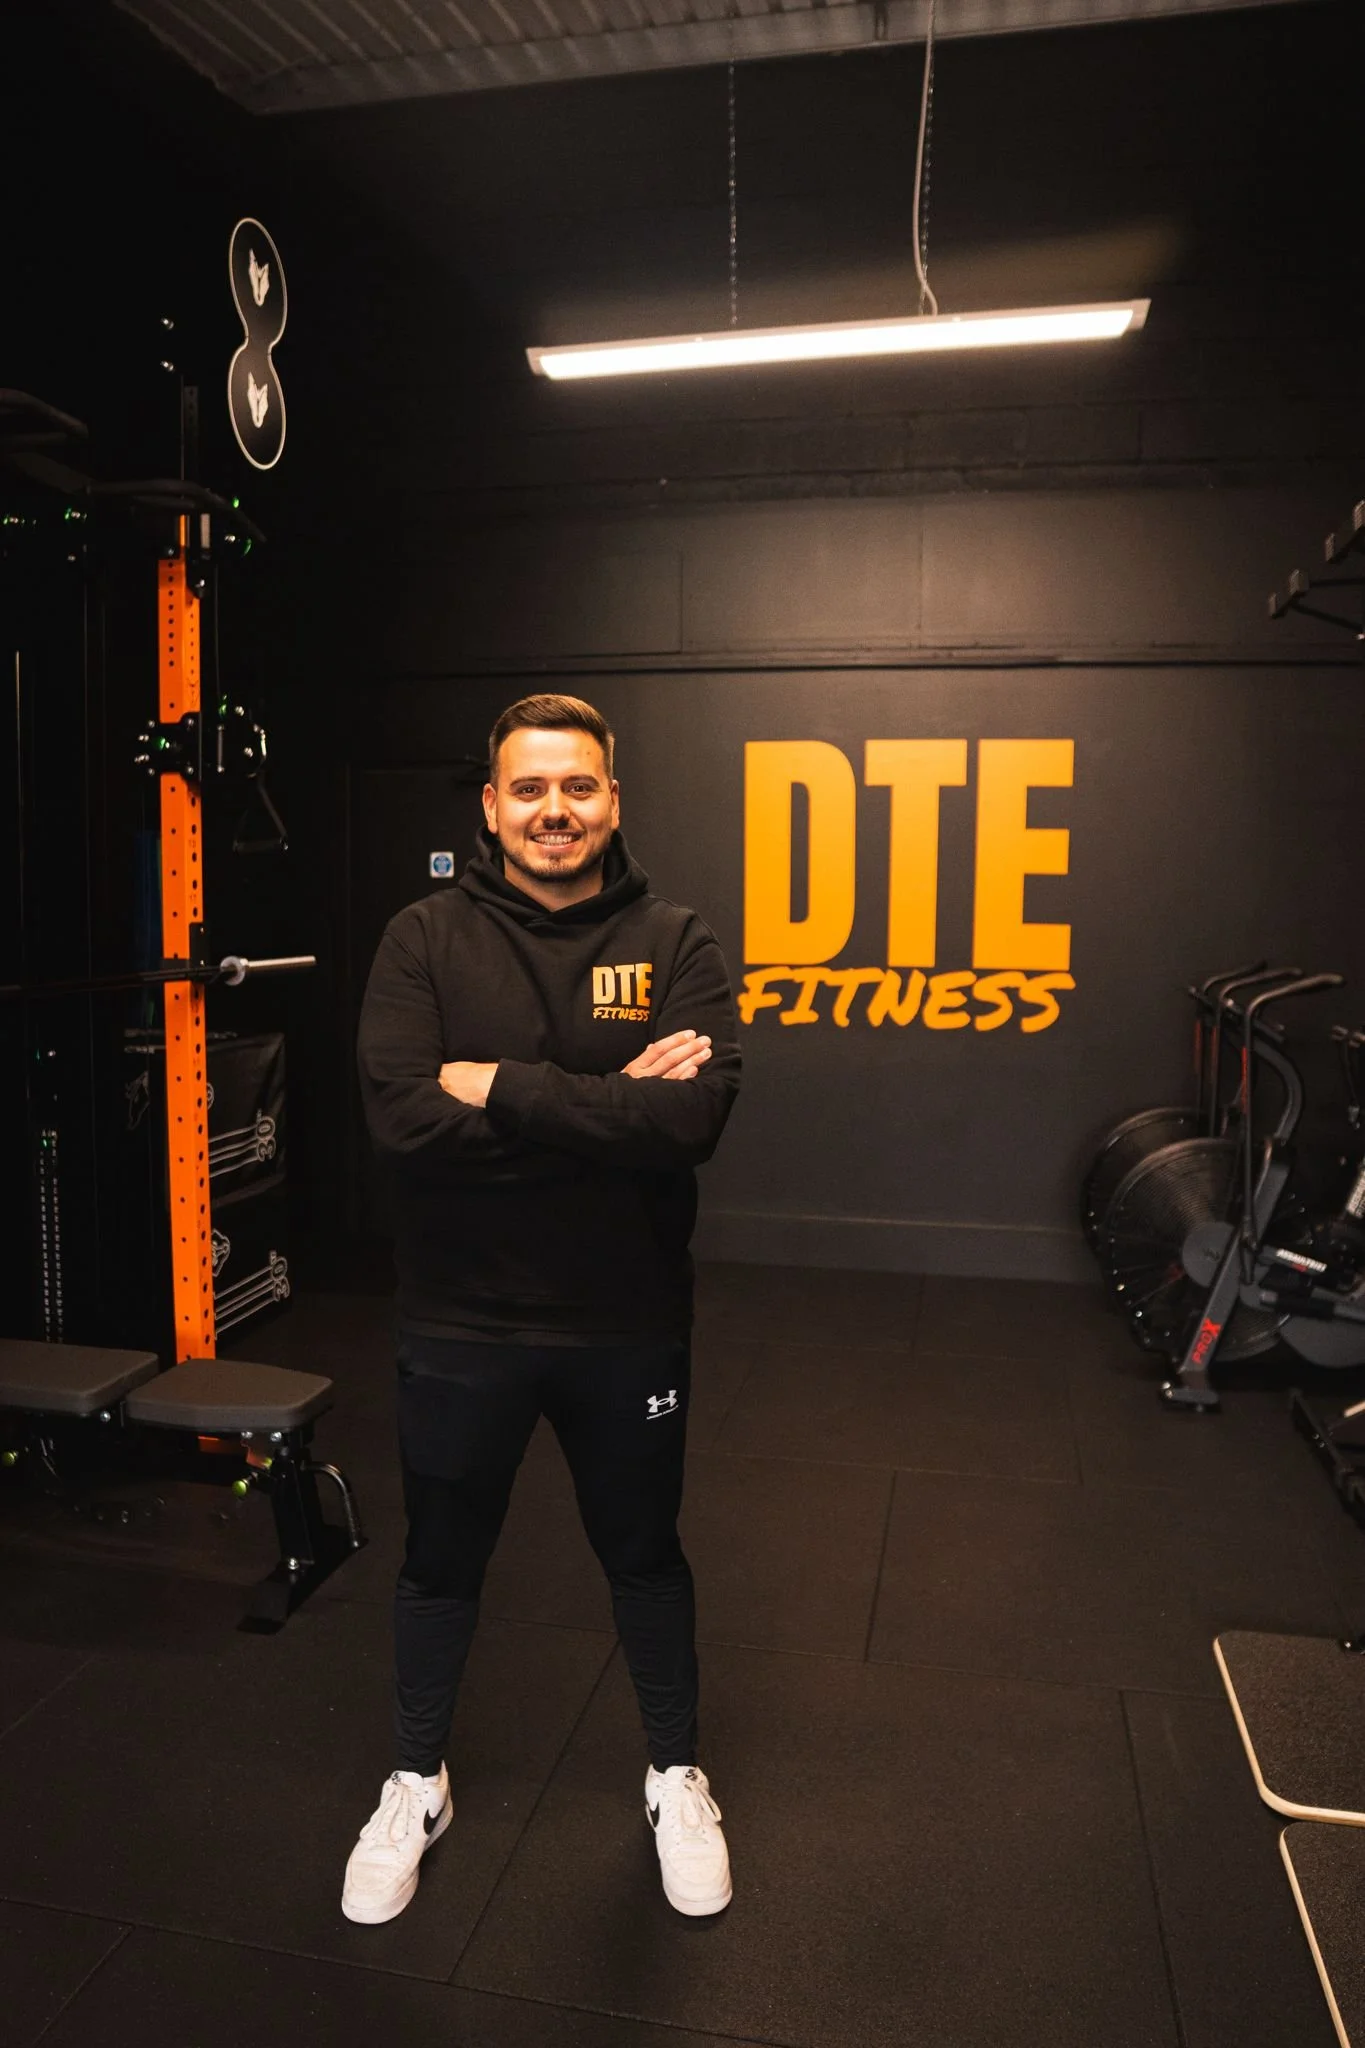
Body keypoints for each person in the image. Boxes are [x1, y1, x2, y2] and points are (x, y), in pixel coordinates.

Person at [343, 692, 741, 1926]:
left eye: (578, 787)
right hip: (462, 1323)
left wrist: (500, 1087)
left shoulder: (676, 935)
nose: (554, 810)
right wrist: (595, 1107)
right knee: (440, 1559)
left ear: (614, 800)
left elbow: (689, 1121)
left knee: (644, 1552)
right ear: (492, 806)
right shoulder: (423, 936)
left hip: (625, 1323)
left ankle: (676, 1772)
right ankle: (419, 1778)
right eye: (530, 788)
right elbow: (404, 1120)